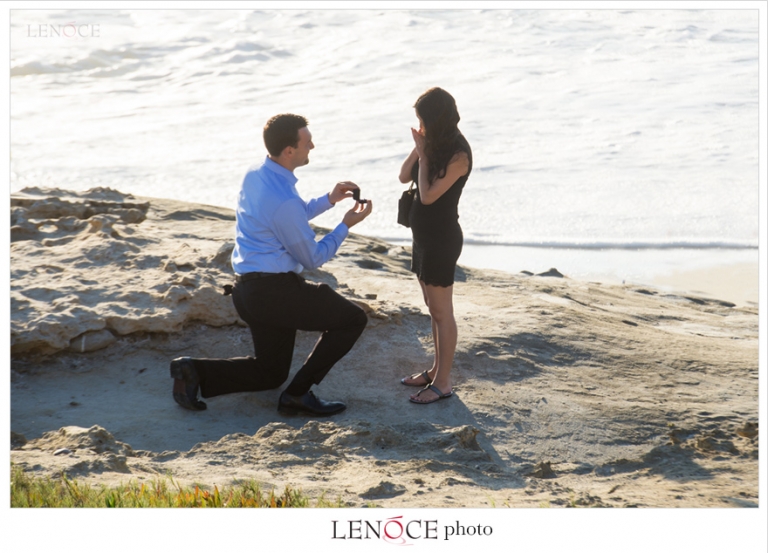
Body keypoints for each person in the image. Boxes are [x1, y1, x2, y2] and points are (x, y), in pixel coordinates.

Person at [170, 113, 373, 416]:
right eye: (307, 142)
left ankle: (192, 371)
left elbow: (287, 217)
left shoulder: (257, 174)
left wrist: (328, 199)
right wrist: (345, 225)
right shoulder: (283, 201)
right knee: (353, 319)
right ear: (289, 151)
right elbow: (313, 257)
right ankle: (298, 395)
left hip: (247, 292)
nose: (312, 146)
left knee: (270, 373)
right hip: (275, 293)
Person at [397, 87, 472, 405]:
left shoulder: (458, 154)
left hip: (442, 240)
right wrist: (419, 149)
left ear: (435, 119)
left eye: (422, 119)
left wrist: (424, 153)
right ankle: (434, 369)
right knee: (432, 307)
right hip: (422, 237)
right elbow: (403, 177)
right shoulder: (433, 143)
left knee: (443, 311)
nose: (419, 124)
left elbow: (428, 196)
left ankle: (443, 383)